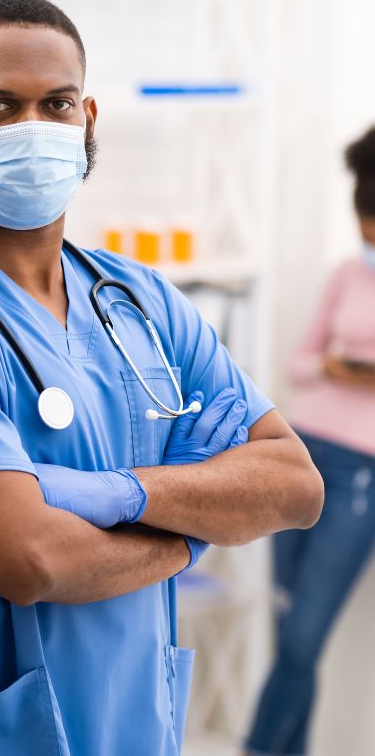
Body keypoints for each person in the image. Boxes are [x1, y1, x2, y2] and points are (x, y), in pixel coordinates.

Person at [0, 0, 324, 755]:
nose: (32, 129)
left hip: (130, 717)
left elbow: (296, 486)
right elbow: (30, 559)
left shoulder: (139, 301)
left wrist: (122, 492)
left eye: (56, 104)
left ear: (88, 118)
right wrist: (188, 535)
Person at [245, 127, 375, 755]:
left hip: (360, 475)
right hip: (300, 455)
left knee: (303, 638)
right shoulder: (346, 274)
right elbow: (297, 364)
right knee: (285, 621)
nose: (365, 237)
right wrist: (336, 369)